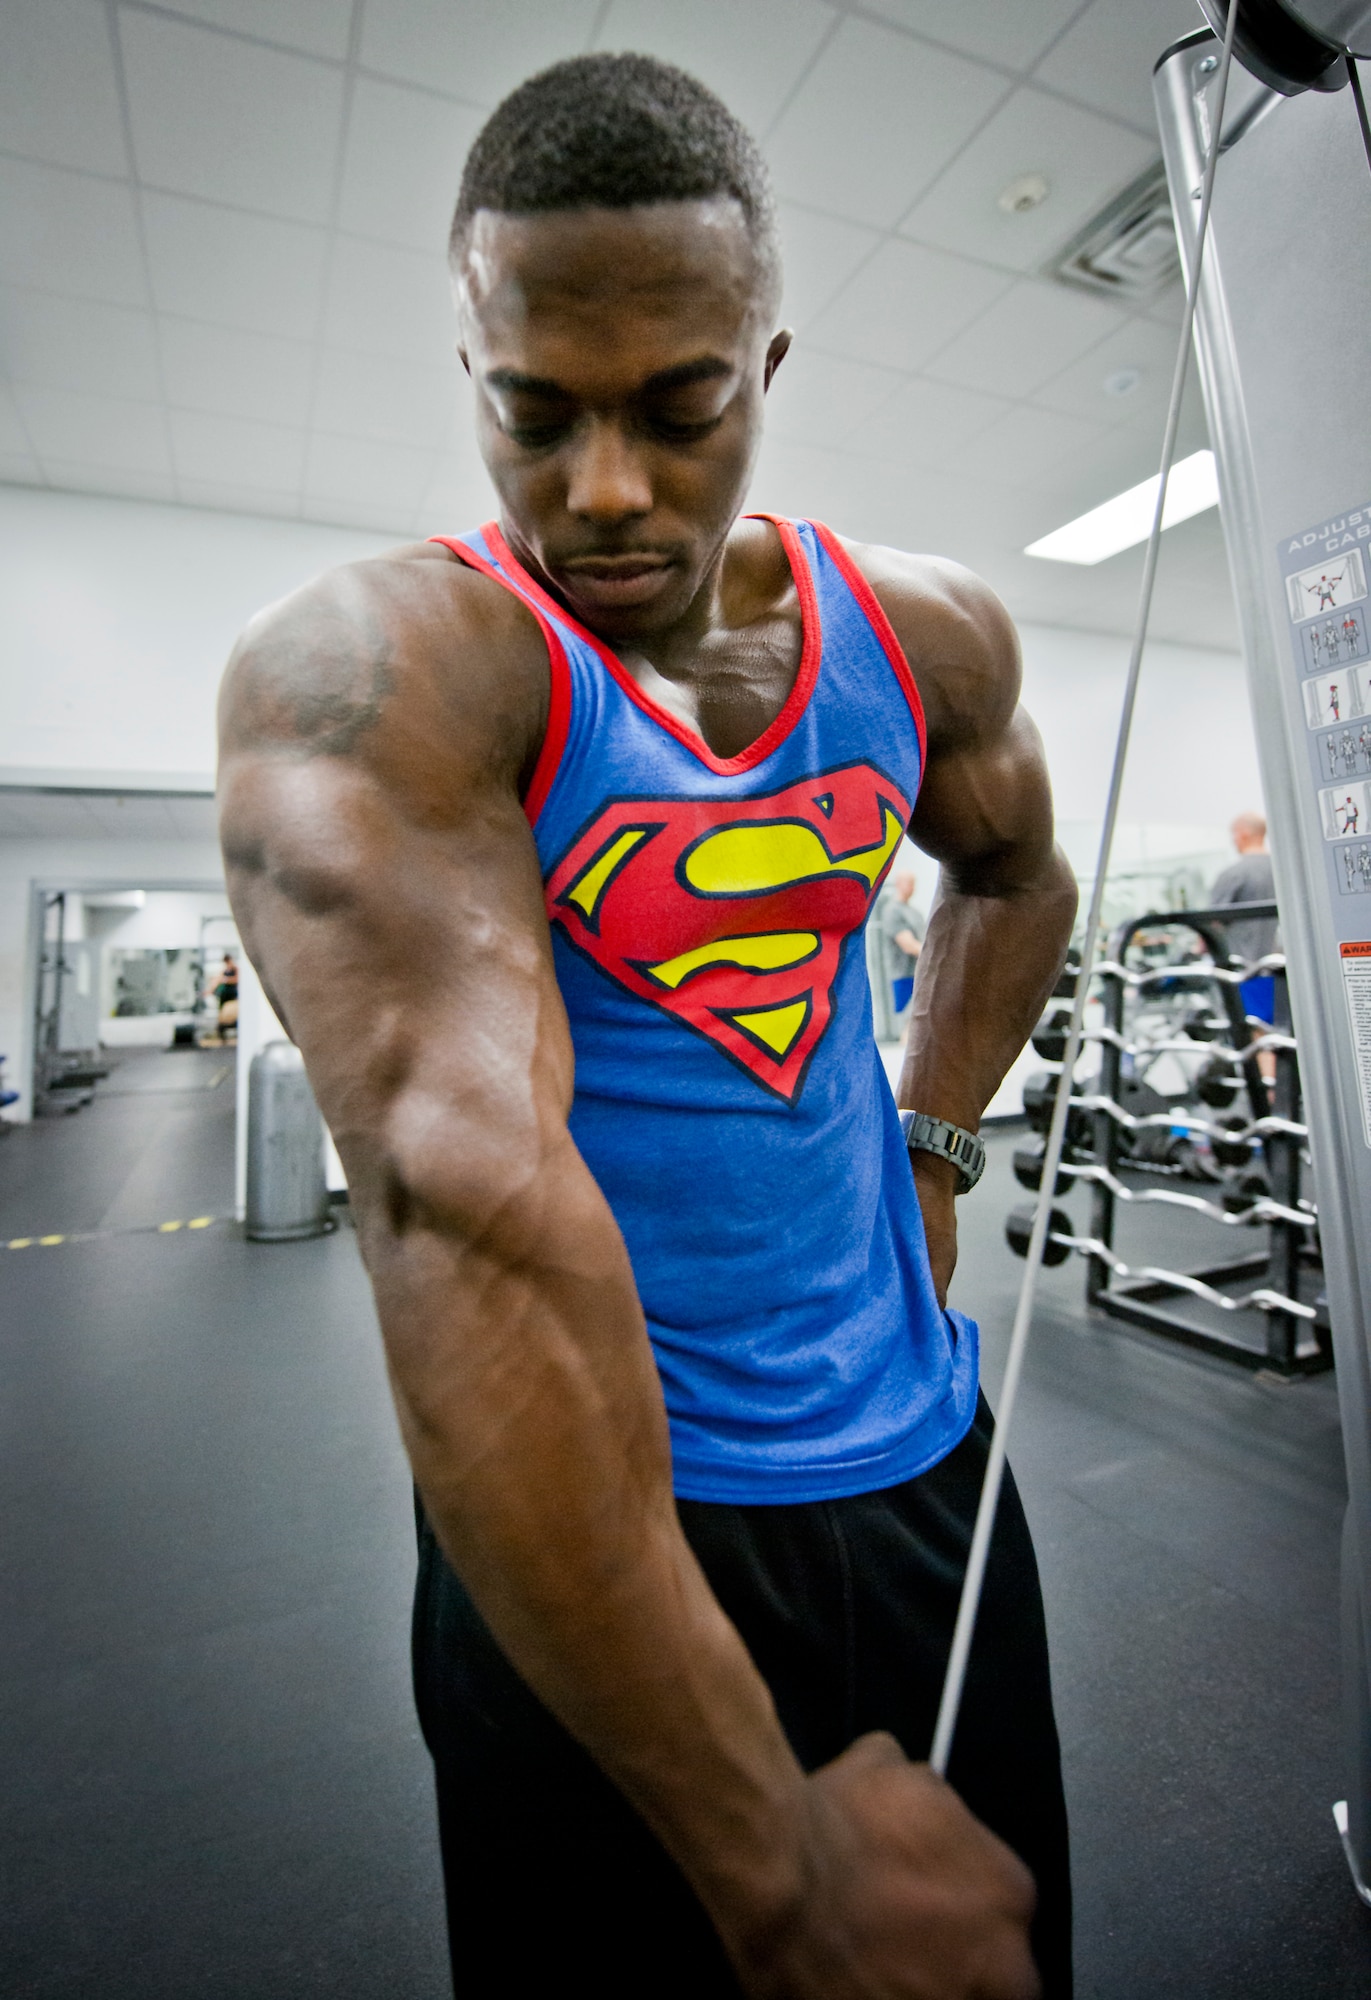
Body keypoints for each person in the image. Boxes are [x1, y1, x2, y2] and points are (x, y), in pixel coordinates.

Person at [217, 55, 1078, 2000]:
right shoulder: (392, 678)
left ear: (763, 367)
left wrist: (934, 1136)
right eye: (537, 414)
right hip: (599, 1535)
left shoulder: (921, 642)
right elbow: (465, 1216)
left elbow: (1016, 877)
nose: (605, 488)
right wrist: (776, 1873)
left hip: (923, 1469)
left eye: (679, 410)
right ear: (472, 371)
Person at [1209, 811, 1277, 1026]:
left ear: (1243, 834)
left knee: (1256, 1033)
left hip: (1249, 969)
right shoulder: (1282, 870)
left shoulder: (1235, 874)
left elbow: (1212, 923)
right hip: (1283, 967)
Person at [878, 868, 926, 1020]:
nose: (912, 887)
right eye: (909, 883)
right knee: (909, 1024)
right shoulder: (892, 911)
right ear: (898, 884)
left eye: (913, 883)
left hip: (921, 973)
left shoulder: (915, 913)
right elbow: (909, 945)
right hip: (903, 976)